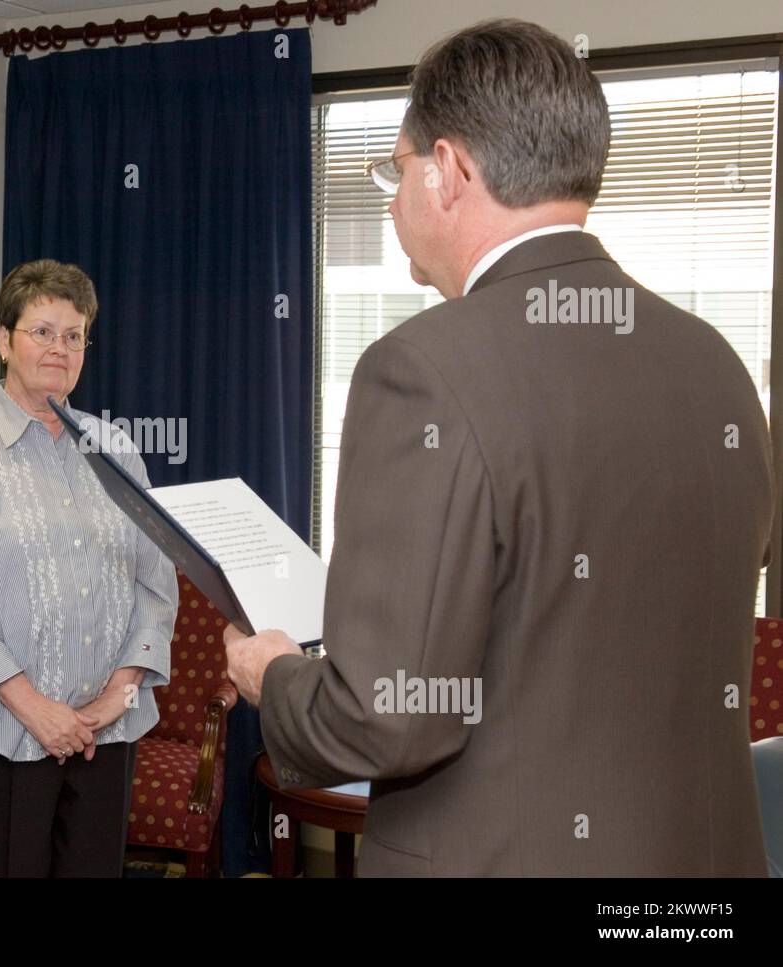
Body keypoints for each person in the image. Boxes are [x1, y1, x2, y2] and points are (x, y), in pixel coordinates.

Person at [225, 19, 772, 875]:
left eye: (392, 170)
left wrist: (276, 676)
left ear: (447, 171)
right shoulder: (717, 364)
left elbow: (385, 716)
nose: (393, 194)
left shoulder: (421, 371)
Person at [0, 259, 177, 877]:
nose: (59, 349)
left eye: (74, 335)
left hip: (106, 733)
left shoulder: (117, 451)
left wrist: (120, 692)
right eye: (42, 331)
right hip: (1, 736)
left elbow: (157, 580)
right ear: (4, 339)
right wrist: (36, 709)